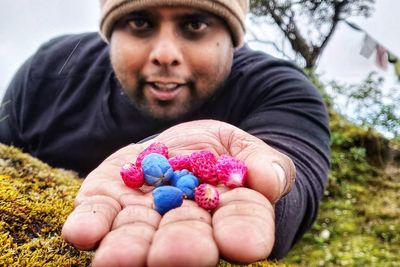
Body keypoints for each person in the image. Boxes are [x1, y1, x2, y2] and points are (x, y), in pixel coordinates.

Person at [0, 0, 330, 266]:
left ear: (233, 35)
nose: (165, 55)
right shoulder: (49, 71)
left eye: (195, 25)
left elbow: (294, 173)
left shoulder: (280, 88)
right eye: (140, 22)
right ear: (109, 32)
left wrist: (263, 182)